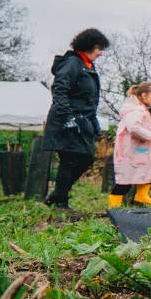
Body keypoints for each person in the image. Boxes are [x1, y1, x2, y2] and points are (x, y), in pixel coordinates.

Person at [43, 28, 109, 210]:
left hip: (83, 119)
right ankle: (61, 203)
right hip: (68, 119)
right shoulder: (72, 63)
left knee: (87, 157)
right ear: (91, 46)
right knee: (69, 159)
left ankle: (57, 193)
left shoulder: (87, 66)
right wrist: (67, 118)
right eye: (99, 48)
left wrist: (93, 123)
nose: (101, 53)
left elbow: (90, 99)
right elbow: (59, 90)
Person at [109, 81, 151, 208]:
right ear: (144, 95)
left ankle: (141, 194)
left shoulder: (140, 109)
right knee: (124, 182)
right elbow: (134, 128)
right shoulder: (136, 110)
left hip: (137, 150)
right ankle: (114, 208)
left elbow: (140, 128)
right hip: (129, 151)